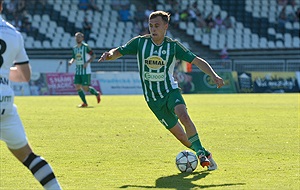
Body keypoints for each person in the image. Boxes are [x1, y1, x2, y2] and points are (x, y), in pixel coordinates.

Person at [98, 11, 224, 170]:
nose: (153, 29)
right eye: (150, 26)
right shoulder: (140, 43)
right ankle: (205, 152)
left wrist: (213, 75)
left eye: (157, 25)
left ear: (166, 26)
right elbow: (119, 51)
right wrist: (109, 55)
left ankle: (200, 155)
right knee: (181, 136)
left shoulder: (173, 46)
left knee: (184, 116)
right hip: (153, 100)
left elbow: (197, 60)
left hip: (170, 91)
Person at [0, 1, 62, 189]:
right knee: (28, 157)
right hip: (5, 104)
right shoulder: (14, 34)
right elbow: (25, 76)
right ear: (1, 7)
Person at [69, 32, 101, 108]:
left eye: (79, 37)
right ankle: (85, 103)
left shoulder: (86, 47)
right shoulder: (75, 48)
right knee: (77, 86)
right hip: (78, 70)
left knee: (85, 88)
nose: (78, 38)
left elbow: (93, 55)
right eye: (76, 37)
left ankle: (96, 93)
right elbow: (74, 57)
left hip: (85, 71)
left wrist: (87, 62)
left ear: (82, 38)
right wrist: (71, 61)